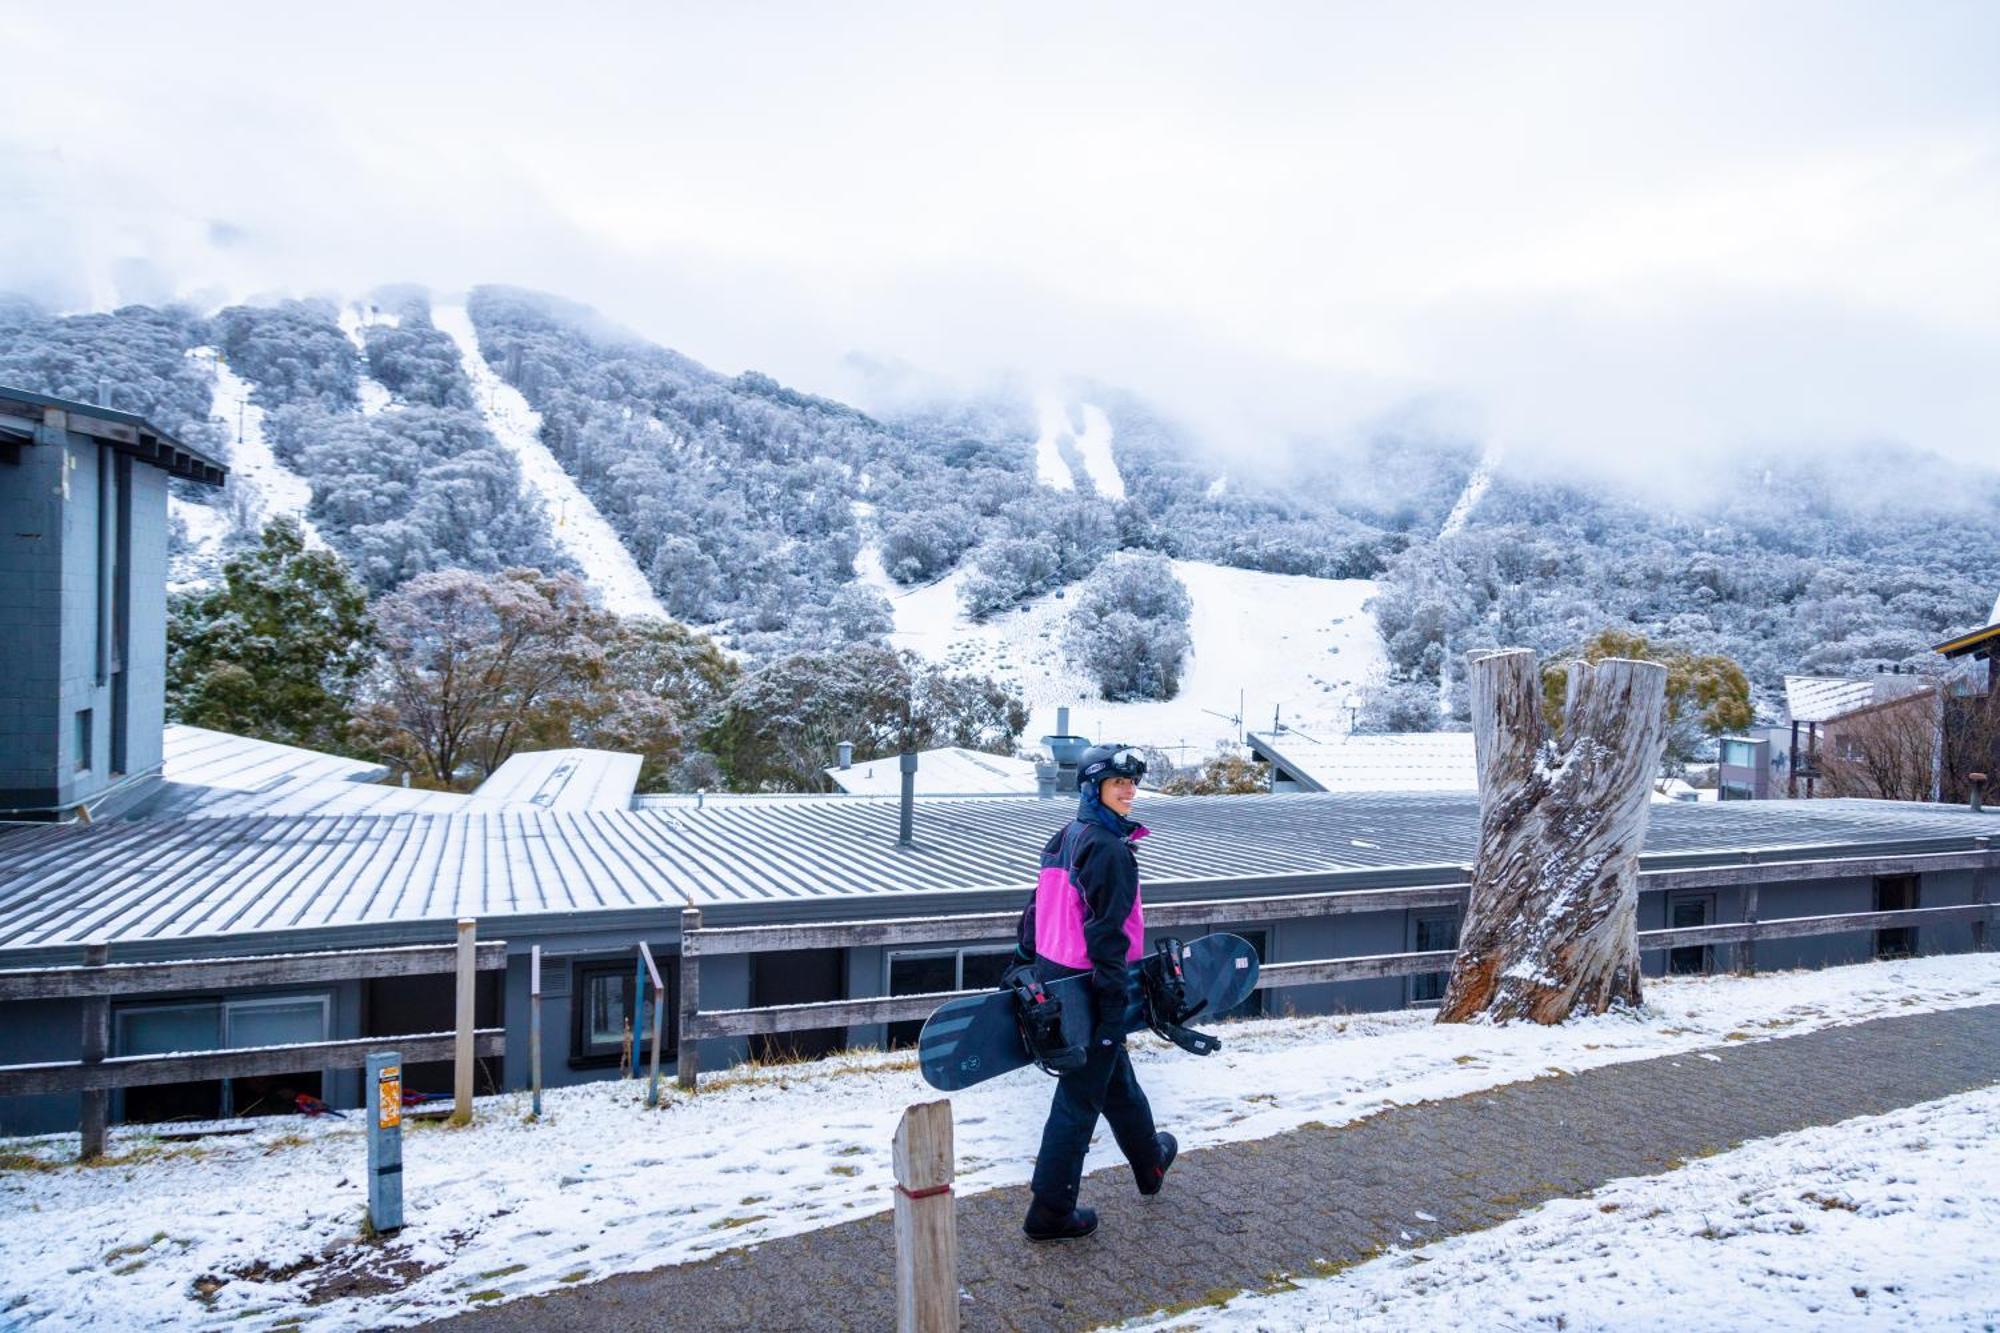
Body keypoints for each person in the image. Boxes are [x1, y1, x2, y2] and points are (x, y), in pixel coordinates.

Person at [1013, 743, 1178, 1241]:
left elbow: (1034, 912)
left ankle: (1149, 1161)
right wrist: (1111, 1013)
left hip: (1058, 982)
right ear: (1093, 789)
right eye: (1117, 783)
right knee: (1078, 1102)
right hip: (1093, 991)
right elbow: (1109, 938)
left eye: (1132, 783)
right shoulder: (1109, 850)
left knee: (1114, 1081)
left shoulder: (1065, 837)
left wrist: (1024, 965)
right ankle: (1050, 1212)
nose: (1129, 791)